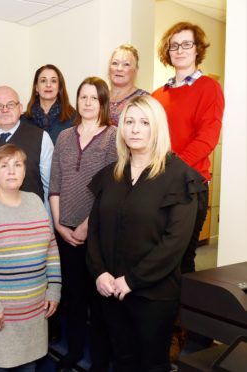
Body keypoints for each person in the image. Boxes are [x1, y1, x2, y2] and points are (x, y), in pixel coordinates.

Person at [86, 95, 204, 371]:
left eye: (143, 122)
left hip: (153, 294)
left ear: (157, 128)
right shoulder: (111, 174)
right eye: (129, 122)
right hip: (111, 289)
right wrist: (99, 272)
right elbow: (95, 228)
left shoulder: (180, 176)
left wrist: (132, 281)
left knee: (151, 364)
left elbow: (175, 243)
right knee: (122, 360)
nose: (135, 129)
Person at [152, 21, 225, 360]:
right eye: (174, 45)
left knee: (182, 260)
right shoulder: (157, 95)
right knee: (159, 258)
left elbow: (207, 138)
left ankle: (187, 332)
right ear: (168, 52)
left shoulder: (209, 87)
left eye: (187, 44)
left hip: (190, 187)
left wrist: (172, 170)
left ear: (198, 49)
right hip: (158, 188)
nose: (180, 50)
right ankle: (164, 325)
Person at [0, 143, 61, 371]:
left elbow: (51, 248)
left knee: (29, 367)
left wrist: (54, 288)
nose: (12, 170)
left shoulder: (35, 202)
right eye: (4, 165)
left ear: (25, 171)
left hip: (33, 316)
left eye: (17, 164)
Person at [49, 77, 117, 371]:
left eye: (94, 98)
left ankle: (101, 359)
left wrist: (87, 226)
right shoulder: (64, 136)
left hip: (98, 233)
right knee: (74, 297)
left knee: (99, 300)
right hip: (65, 232)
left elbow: (112, 189)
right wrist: (59, 224)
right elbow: (54, 184)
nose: (88, 103)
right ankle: (74, 350)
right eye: (83, 97)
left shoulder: (114, 136)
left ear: (103, 103)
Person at [0, 86, 54, 211]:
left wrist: (47, 224)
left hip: (29, 222)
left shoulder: (42, 138)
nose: (5, 110)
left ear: (20, 108)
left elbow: (50, 187)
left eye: (11, 104)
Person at [21, 64, 77, 144]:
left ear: (59, 87)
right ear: (36, 87)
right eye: (43, 81)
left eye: (53, 81)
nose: (48, 85)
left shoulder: (74, 119)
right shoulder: (23, 120)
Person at [108, 44, 149, 126]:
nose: (119, 68)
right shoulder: (98, 97)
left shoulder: (144, 99)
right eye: (115, 63)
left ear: (136, 70)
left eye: (126, 64)